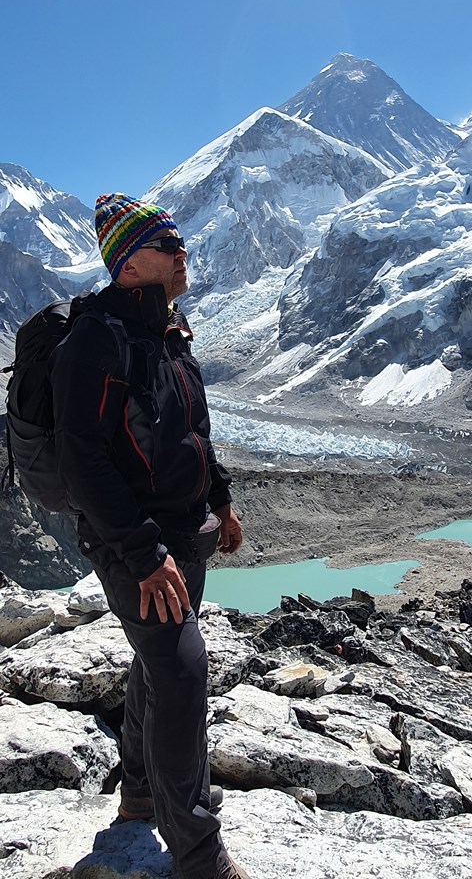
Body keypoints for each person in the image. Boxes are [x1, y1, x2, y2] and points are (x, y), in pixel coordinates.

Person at [51, 194, 250, 879]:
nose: (182, 253)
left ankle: (139, 797)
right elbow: (83, 458)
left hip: (182, 536)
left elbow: (192, 428)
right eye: (170, 245)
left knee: (154, 664)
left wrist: (220, 502)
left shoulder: (169, 329)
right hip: (135, 545)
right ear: (131, 264)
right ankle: (196, 850)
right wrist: (142, 552)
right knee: (182, 671)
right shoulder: (96, 340)